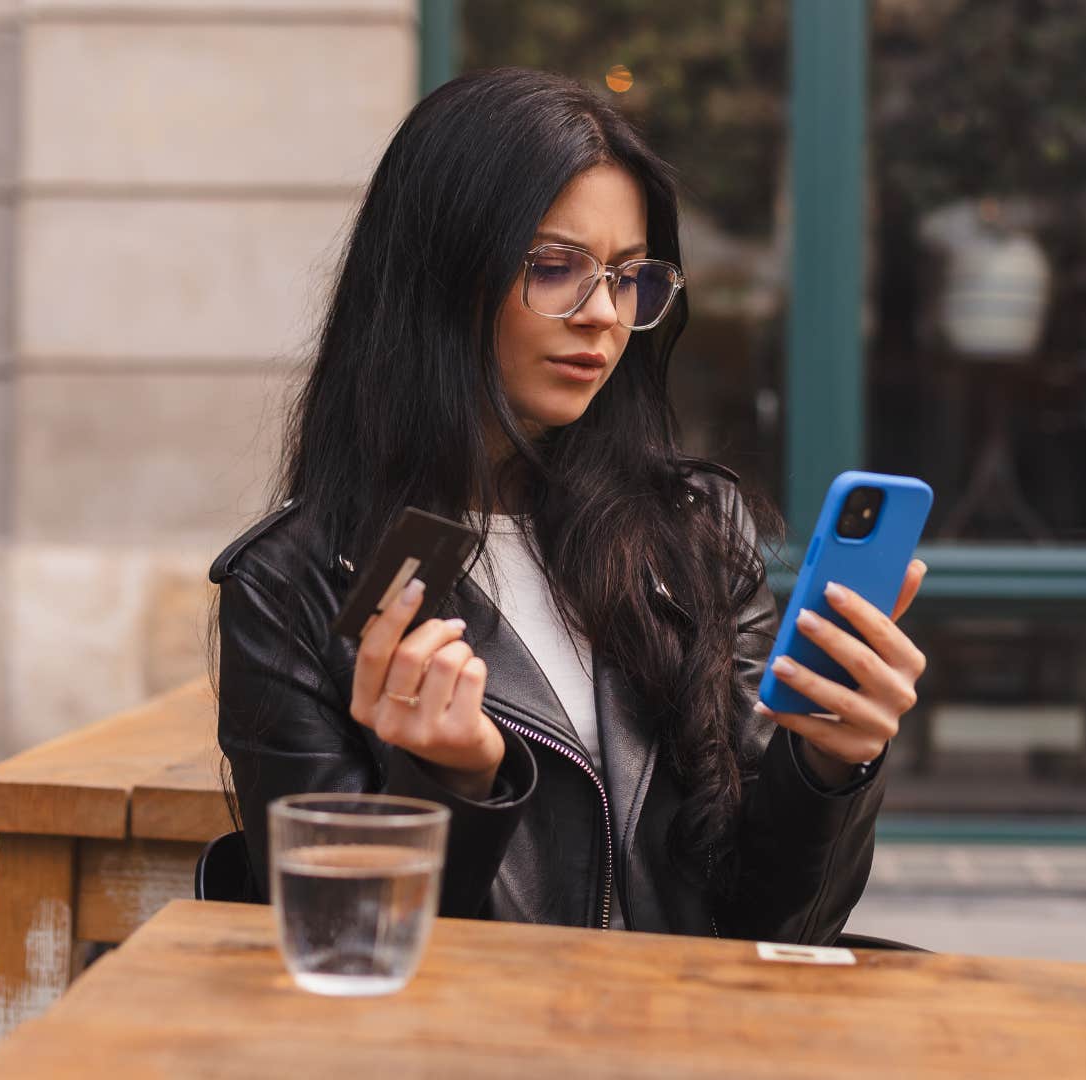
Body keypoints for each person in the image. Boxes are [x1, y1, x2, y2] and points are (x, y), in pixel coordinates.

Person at [212, 67, 928, 943]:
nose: (604, 316)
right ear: (442, 273)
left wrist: (830, 762)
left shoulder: (693, 530)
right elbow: (345, 943)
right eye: (555, 268)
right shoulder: (297, 584)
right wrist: (457, 785)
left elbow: (773, 927)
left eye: (631, 277)